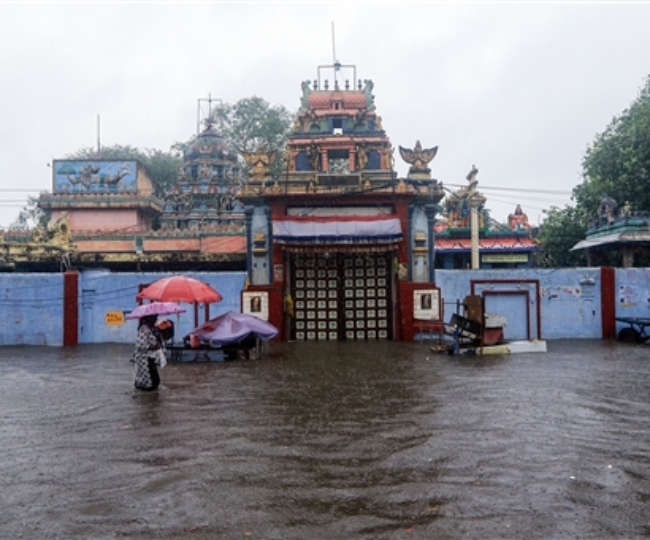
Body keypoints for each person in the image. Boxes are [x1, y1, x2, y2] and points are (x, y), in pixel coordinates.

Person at [133, 314, 165, 391]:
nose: (156, 318)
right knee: (149, 380)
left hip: (151, 357)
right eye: (154, 317)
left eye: (156, 316)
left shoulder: (152, 328)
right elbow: (141, 345)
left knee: (153, 379)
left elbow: (156, 339)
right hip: (144, 358)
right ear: (149, 317)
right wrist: (154, 347)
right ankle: (149, 398)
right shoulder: (144, 329)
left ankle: (151, 396)